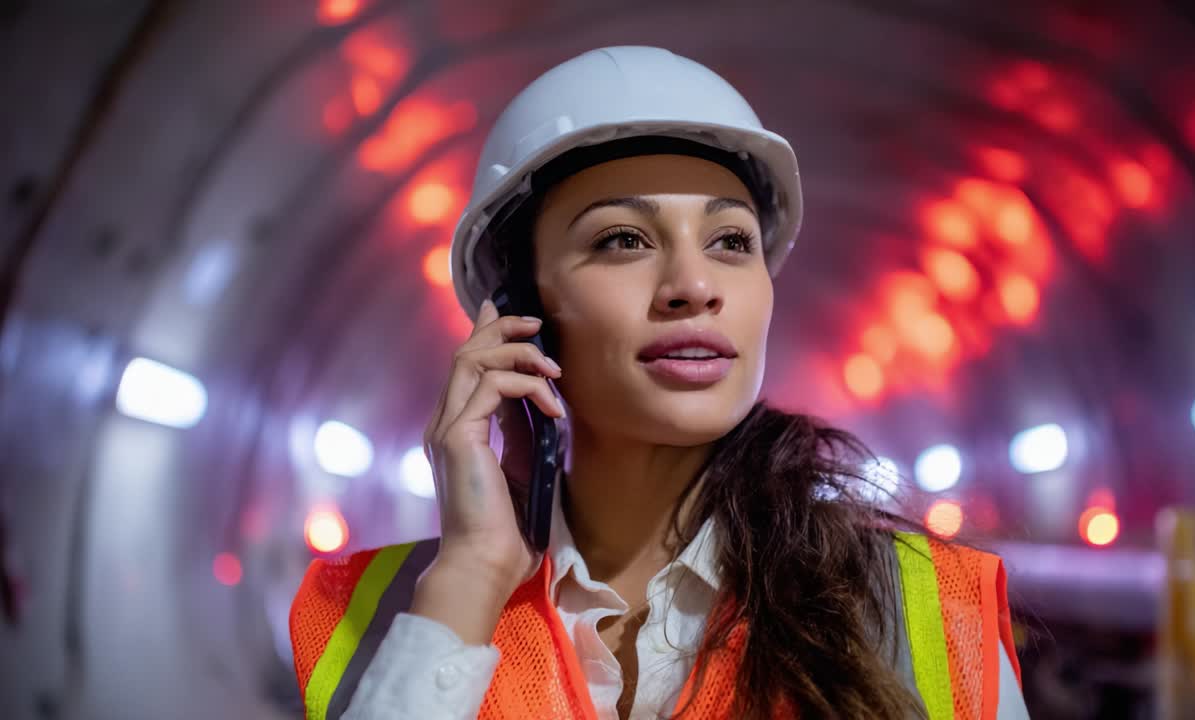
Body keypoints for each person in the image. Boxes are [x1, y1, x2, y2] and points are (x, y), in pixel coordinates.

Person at [289, 46, 1028, 720]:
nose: (694, 285)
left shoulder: (916, 606)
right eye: (623, 240)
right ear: (519, 314)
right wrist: (470, 578)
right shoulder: (379, 611)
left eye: (730, 242)